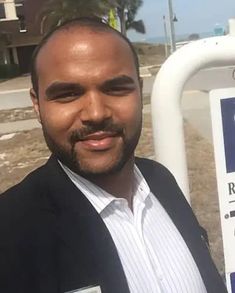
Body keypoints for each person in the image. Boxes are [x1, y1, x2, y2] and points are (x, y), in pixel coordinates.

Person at [0, 17, 227, 293]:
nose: (96, 113)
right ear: (37, 105)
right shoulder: (10, 230)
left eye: (116, 88)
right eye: (68, 94)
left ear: (139, 90)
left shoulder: (160, 180)